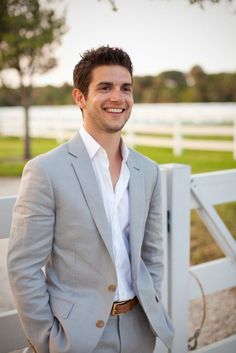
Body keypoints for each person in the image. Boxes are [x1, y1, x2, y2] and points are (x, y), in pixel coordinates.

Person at [7, 46, 174, 353]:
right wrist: (47, 340)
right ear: (80, 98)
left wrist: (151, 302)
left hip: (140, 329)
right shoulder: (46, 170)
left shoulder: (147, 171)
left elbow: (152, 255)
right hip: (76, 338)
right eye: (105, 87)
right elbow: (23, 267)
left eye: (125, 88)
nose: (117, 98)